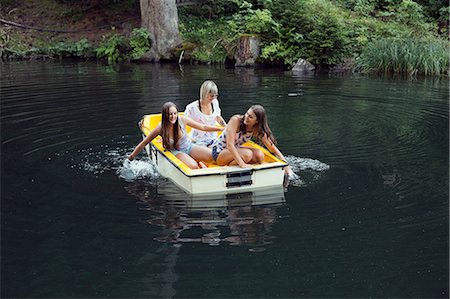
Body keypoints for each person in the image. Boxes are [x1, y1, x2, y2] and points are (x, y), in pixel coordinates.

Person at [128, 102, 223, 169]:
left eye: (174, 113)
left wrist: (221, 129)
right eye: (170, 114)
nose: (173, 116)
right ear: (165, 115)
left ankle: (199, 161)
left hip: (189, 147)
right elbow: (144, 143)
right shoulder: (160, 128)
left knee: (213, 156)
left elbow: (203, 127)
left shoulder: (182, 120)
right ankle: (198, 162)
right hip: (177, 151)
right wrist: (131, 157)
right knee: (193, 166)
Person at [211, 104, 292, 175]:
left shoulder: (256, 129)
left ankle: (237, 163)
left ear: (257, 121)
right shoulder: (236, 120)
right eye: (247, 114)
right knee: (247, 154)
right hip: (219, 152)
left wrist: (285, 164)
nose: (246, 117)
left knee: (259, 155)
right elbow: (230, 145)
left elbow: (272, 148)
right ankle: (233, 166)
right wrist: (242, 164)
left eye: (250, 117)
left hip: (233, 151)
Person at [184, 80, 227, 146]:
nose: (214, 98)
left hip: (213, 138)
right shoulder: (191, 108)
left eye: (215, 95)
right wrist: (187, 138)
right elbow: (183, 124)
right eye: (211, 96)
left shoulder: (215, 102)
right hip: (197, 140)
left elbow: (217, 117)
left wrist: (226, 127)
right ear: (205, 93)